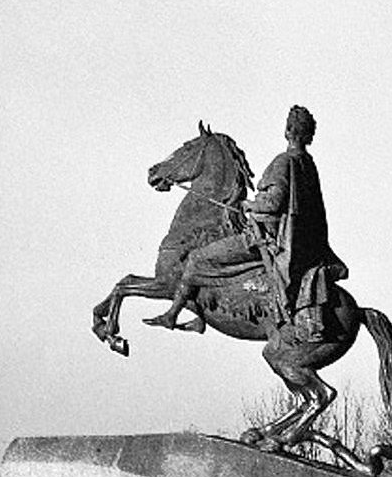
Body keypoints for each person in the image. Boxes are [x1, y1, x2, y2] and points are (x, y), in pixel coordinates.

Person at [147, 105, 347, 340]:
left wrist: (249, 206)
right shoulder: (307, 163)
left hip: (266, 239)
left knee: (197, 258)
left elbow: (273, 203)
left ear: (288, 131)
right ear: (308, 136)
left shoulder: (284, 162)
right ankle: (201, 314)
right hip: (291, 241)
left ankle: (172, 314)